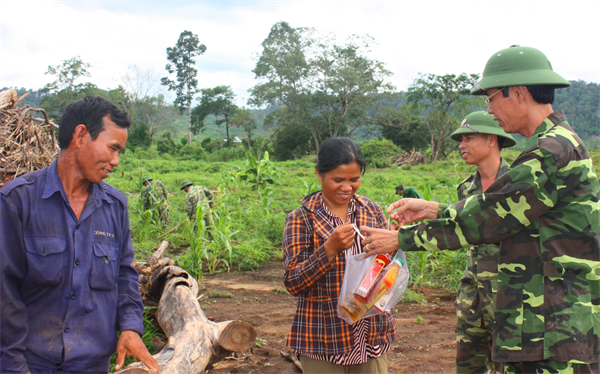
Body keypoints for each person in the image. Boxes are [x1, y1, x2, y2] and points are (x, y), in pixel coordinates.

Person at [361, 45, 600, 373]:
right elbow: (503, 210)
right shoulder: (557, 144)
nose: (489, 111)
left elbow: (491, 217)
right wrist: (436, 210)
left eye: (490, 98)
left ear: (517, 93)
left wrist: (401, 239)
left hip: (552, 330)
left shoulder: (550, 152)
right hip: (550, 324)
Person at [0, 96, 160, 374]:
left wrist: (131, 327)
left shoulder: (115, 206)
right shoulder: (17, 201)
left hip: (92, 364)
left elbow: (124, 274)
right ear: (81, 135)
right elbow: (4, 292)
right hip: (30, 363)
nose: (116, 161)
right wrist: (14, 364)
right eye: (112, 149)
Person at [283, 137, 396, 374]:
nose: (347, 188)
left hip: (369, 333)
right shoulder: (302, 218)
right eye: (338, 180)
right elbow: (293, 282)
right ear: (319, 174)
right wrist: (329, 250)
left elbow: (386, 268)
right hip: (324, 337)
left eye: (354, 180)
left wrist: (393, 243)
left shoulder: (371, 210)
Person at [450, 111, 515, 374]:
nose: (461, 145)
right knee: (468, 368)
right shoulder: (466, 189)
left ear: (491, 140)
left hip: (510, 299)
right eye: (460, 139)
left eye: (468, 138)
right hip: (472, 298)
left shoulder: (517, 185)